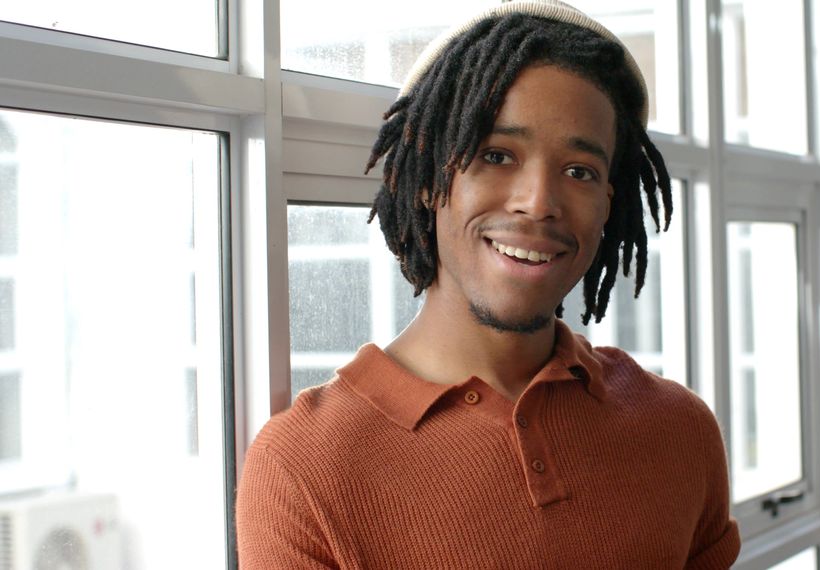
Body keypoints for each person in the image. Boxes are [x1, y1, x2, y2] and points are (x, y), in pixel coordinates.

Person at [235, 1, 740, 567]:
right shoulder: (304, 466)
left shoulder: (680, 428)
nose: (539, 202)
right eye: (496, 155)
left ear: (607, 205)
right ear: (427, 180)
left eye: (580, 171)